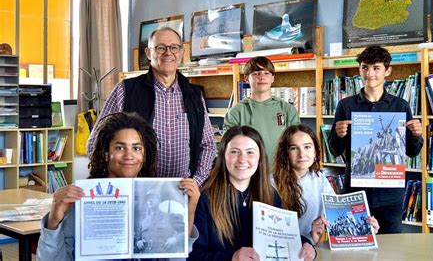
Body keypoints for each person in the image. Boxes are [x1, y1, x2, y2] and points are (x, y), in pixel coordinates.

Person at [37, 112, 200, 260]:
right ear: (106, 153)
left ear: (144, 155)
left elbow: (174, 257)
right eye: (120, 147)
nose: (129, 156)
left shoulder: (156, 199)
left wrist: (189, 213)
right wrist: (53, 221)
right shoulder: (82, 198)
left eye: (136, 148)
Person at [86, 27, 217, 186]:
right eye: (160, 48)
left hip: (182, 192)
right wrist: (119, 180)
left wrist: (196, 181)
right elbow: (95, 143)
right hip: (137, 189)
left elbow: (208, 145)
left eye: (174, 47)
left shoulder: (194, 95)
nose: (168, 53)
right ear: (148, 53)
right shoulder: (126, 90)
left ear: (182, 53)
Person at [328, 45, 423, 234]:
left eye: (376, 68)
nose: (370, 73)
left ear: (387, 71)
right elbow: (335, 150)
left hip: (390, 195)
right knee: (354, 242)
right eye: (365, 67)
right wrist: (338, 135)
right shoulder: (345, 105)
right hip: (355, 192)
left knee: (392, 247)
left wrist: (416, 135)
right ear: (359, 70)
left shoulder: (400, 106)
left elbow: (411, 152)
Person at [189, 126, 315, 261]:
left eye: (250, 152)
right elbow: (193, 255)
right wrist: (231, 258)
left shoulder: (270, 195)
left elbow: (284, 235)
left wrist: (307, 246)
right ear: (223, 156)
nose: (242, 159)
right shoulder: (206, 199)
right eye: (234, 152)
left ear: (260, 157)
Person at [273, 124, 379, 245]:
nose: (302, 154)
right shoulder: (271, 183)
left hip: (309, 248)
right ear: (285, 153)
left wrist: (367, 229)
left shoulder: (319, 179)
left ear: (315, 152)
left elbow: (337, 214)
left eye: (307, 147)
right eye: (294, 148)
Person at [223, 56, 300, 164]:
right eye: (256, 73)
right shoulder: (236, 112)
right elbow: (230, 148)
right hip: (249, 173)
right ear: (246, 78)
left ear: (273, 78)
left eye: (266, 73)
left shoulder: (287, 110)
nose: (261, 77)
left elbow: (296, 144)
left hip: (281, 172)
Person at [135, 189, 185, 254]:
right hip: (146, 255)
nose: (150, 200)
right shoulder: (143, 222)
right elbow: (138, 239)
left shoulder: (170, 217)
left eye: (153, 198)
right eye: (148, 199)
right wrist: (138, 242)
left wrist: (176, 239)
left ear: (159, 200)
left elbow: (186, 231)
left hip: (163, 255)